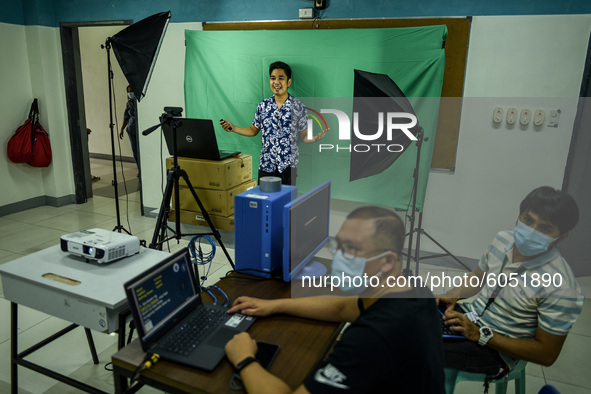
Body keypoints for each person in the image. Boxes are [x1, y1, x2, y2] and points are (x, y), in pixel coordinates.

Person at [225, 206, 445, 394]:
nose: (339, 256)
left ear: (387, 261)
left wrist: (244, 359)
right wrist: (275, 305)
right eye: (338, 245)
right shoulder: (410, 286)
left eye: (351, 248)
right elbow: (342, 308)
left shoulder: (372, 336)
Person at [437, 186, 584, 390]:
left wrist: (482, 335)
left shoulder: (561, 286)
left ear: (562, 237)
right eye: (528, 219)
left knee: (420, 345)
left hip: (498, 349)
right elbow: (477, 279)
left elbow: (546, 354)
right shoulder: (502, 240)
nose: (532, 230)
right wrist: (452, 295)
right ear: (519, 214)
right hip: (469, 319)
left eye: (545, 228)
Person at [220, 61, 327, 186]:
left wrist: (314, 138)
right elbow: (253, 130)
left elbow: (304, 136)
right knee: (265, 202)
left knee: (287, 203)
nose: (276, 82)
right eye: (273, 78)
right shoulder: (263, 105)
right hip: (266, 166)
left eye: (281, 78)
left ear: (289, 82)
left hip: (288, 167)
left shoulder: (298, 107)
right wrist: (233, 128)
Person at [120, 85, 140, 174]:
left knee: (142, 152)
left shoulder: (140, 102)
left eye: (132, 91)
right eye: (128, 91)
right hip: (131, 130)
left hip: (140, 130)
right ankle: (140, 170)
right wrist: (122, 129)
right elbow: (126, 117)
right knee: (135, 153)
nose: (130, 93)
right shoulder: (128, 104)